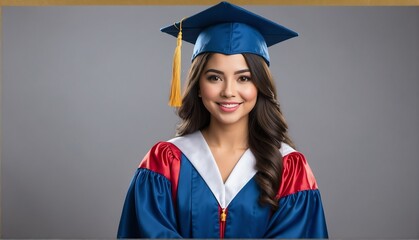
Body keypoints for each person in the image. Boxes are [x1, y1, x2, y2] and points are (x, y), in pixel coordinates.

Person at [117, 1, 328, 238]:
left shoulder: (290, 169)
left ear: (260, 85)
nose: (228, 91)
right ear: (198, 86)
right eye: (215, 78)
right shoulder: (165, 163)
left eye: (244, 78)